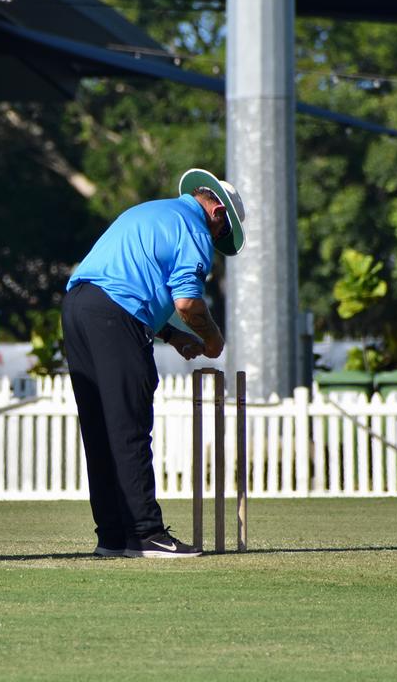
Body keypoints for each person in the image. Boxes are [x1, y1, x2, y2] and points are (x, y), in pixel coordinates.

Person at [61, 168, 246, 558]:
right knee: (128, 425)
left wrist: (173, 335)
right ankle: (146, 533)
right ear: (218, 213)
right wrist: (213, 340)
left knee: (100, 427)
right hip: (114, 313)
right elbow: (188, 303)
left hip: (78, 306)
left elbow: (134, 280)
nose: (216, 243)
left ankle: (113, 535)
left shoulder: (152, 212)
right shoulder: (194, 229)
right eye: (222, 235)